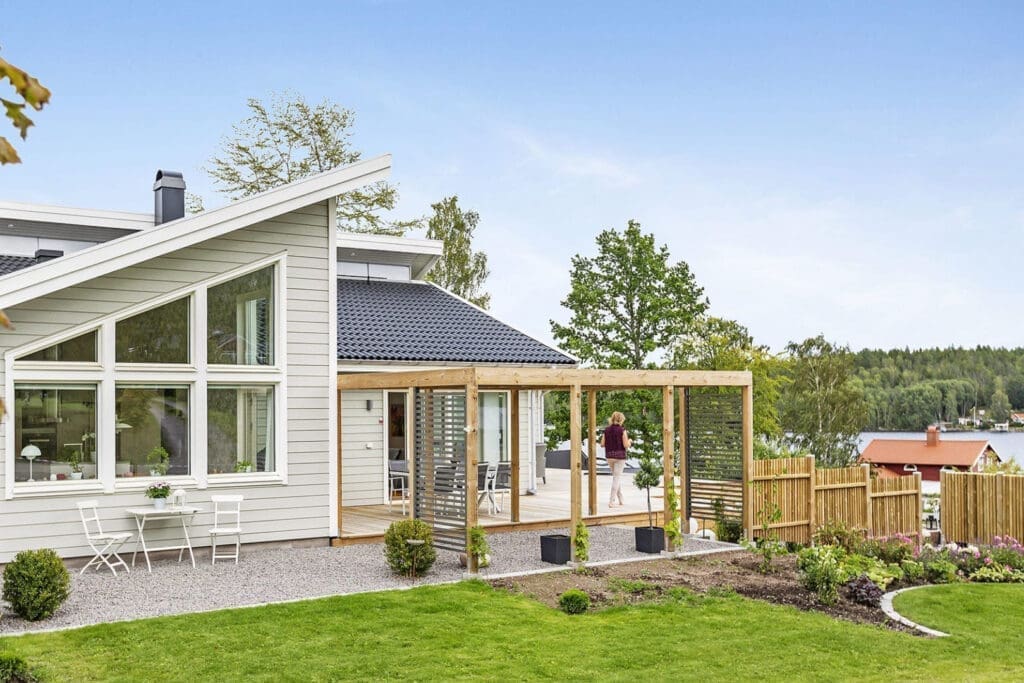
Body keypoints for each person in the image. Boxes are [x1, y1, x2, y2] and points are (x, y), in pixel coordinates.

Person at [599, 411, 631, 509]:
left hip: (609, 456)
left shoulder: (606, 430)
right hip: (620, 457)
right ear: (621, 420)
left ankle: (621, 499)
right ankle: (611, 501)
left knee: (616, 478)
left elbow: (602, 444)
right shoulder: (622, 430)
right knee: (616, 478)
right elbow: (626, 445)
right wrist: (630, 441)